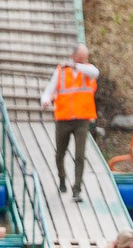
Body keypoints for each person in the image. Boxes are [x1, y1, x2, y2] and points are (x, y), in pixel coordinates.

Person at [42, 44, 101, 197]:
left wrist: (76, 66)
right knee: (60, 153)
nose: (83, 60)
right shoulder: (61, 71)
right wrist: (46, 100)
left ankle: (77, 190)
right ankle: (62, 177)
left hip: (82, 120)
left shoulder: (88, 70)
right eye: (80, 58)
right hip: (64, 119)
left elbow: (95, 72)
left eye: (85, 58)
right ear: (73, 55)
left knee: (80, 155)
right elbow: (49, 90)